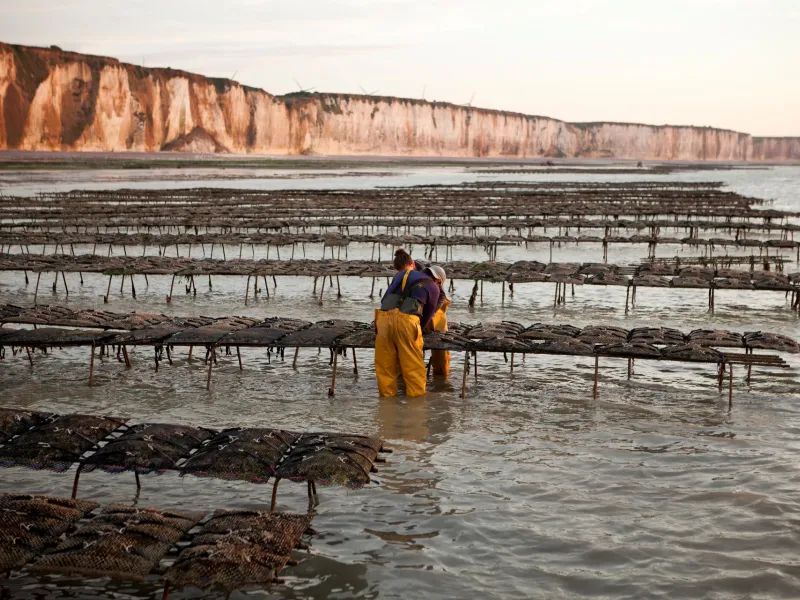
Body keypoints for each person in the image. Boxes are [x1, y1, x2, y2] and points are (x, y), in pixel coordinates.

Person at [375, 249, 440, 397]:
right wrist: (419, 332)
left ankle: (386, 409)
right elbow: (428, 314)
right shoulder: (434, 287)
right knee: (413, 369)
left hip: (383, 320)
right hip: (407, 322)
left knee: (385, 368)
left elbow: (385, 298)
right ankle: (415, 410)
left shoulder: (401, 274)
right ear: (438, 280)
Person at [414, 261, 451, 377]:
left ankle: (441, 379)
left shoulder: (439, 291)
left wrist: (424, 322)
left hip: (436, 318)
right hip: (418, 314)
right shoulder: (414, 278)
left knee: (440, 353)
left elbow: (432, 309)